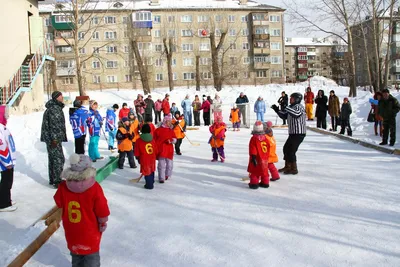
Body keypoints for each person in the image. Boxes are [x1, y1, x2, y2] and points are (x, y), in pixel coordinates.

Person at [54, 154, 110, 266]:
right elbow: (102, 209)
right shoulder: (94, 188)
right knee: (91, 255)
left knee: (76, 254)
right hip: (90, 231)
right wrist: (103, 221)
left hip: (72, 230)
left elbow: (58, 201)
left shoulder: (64, 186)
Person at [271, 92, 306, 175]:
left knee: (291, 150)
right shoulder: (292, 107)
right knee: (286, 148)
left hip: (299, 133)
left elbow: (296, 114)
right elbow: (284, 115)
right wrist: (277, 110)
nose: (290, 99)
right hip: (293, 133)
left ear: (297, 99)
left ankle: (294, 168)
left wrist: (286, 107)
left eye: (292, 98)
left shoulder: (299, 107)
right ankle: (287, 166)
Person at [41, 91, 67, 188]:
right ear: (56, 97)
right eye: (61, 96)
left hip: (52, 138)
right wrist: (55, 139)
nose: (62, 97)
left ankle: (53, 179)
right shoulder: (55, 109)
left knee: (53, 158)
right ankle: (57, 180)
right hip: (54, 139)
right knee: (58, 159)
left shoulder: (54, 107)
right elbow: (54, 126)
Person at [0, 105, 17, 212]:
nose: (7, 116)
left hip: (8, 159)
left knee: (8, 180)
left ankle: (6, 199)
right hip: (4, 161)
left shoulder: (3, 127)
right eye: (5, 114)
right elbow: (1, 146)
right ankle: (4, 203)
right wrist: (7, 162)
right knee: (6, 181)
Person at [154, 114, 176, 183]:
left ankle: (167, 174)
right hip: (161, 149)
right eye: (168, 121)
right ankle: (161, 177)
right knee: (161, 165)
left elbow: (175, 138)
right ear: (165, 121)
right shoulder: (158, 130)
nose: (169, 123)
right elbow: (154, 139)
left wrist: (172, 140)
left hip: (169, 150)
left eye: (170, 121)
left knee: (169, 164)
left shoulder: (171, 130)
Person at [247, 121, 270, 189]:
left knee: (254, 171)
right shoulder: (265, 137)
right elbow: (268, 146)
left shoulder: (254, 138)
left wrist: (253, 157)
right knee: (264, 170)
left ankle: (254, 183)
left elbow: (253, 148)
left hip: (256, 157)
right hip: (264, 157)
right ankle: (265, 182)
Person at [134, 124, 158, 190]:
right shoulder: (152, 139)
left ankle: (149, 184)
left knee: (146, 171)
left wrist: (137, 157)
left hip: (144, 158)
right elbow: (155, 148)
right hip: (152, 157)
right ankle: (152, 181)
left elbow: (137, 150)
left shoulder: (139, 140)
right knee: (152, 169)